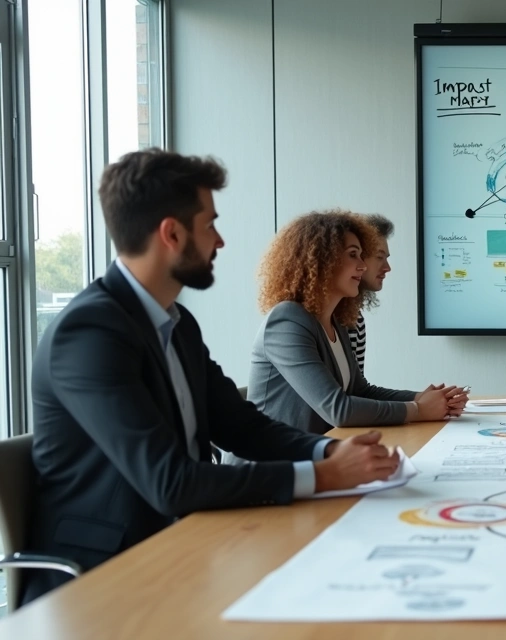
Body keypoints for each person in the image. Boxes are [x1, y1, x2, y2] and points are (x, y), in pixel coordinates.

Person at [21, 150, 399, 605]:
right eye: (210, 225)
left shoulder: (177, 324)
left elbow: (243, 427)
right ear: (172, 234)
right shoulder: (90, 333)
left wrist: (331, 450)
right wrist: (323, 475)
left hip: (187, 544)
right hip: (105, 579)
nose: (219, 241)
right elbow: (171, 483)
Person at [248, 211, 467, 434]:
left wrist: (421, 398)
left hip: (320, 449)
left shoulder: (337, 321)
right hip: (273, 455)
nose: (363, 266)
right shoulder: (286, 322)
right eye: (353, 255)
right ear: (323, 260)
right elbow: (338, 409)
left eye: (362, 256)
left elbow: (361, 391)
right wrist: (418, 410)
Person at [348, 214, 394, 373]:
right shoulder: (304, 320)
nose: (387, 268)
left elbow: (357, 384)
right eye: (379, 257)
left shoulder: (356, 318)